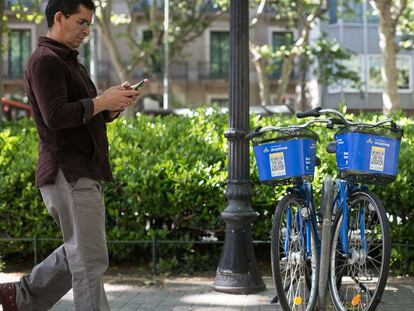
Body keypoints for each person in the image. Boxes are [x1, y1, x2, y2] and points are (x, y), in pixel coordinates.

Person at [0, 0, 142, 310]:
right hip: (68, 170)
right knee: (89, 260)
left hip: (82, 169)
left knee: (82, 250)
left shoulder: (70, 62)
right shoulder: (45, 61)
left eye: (89, 23)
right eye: (81, 22)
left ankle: (20, 297)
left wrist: (113, 103)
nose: (86, 30)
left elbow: (90, 111)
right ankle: (21, 297)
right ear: (59, 17)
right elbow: (55, 116)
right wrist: (102, 101)